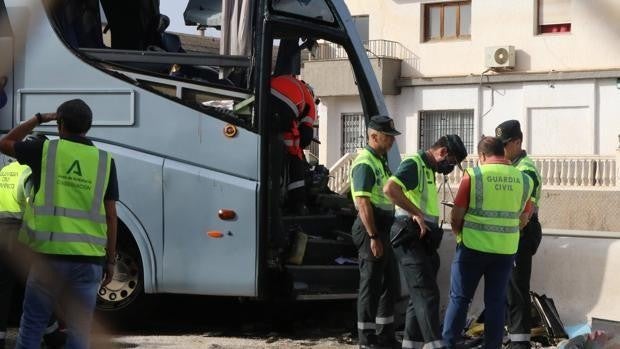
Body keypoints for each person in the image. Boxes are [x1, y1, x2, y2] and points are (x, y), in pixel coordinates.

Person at [0, 99, 119, 349]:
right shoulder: (104, 160)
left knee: (33, 324)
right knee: (80, 330)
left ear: (60, 123)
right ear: (88, 126)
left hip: (47, 258)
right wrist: (110, 259)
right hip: (88, 260)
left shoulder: (45, 151)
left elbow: (4, 143)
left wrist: (40, 118)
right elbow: (110, 214)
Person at [442, 137, 533, 349]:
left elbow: (456, 216)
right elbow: (524, 218)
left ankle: (448, 345)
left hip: (472, 248)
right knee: (496, 302)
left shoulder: (474, 175)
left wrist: (460, 235)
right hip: (505, 251)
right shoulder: (524, 180)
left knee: (460, 299)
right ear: (503, 152)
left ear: (482, 156)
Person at [383, 135, 467, 349]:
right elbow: (390, 189)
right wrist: (416, 212)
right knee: (427, 292)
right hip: (408, 235)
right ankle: (434, 344)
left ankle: (411, 343)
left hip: (423, 239)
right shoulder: (415, 164)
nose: (450, 167)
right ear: (443, 152)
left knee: (418, 295)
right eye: (451, 161)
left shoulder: (428, 170)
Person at [349, 115, 400, 349]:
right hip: (372, 226)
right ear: (373, 136)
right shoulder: (365, 162)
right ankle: (367, 339)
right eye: (387, 137)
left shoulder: (380, 160)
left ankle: (385, 335)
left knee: (390, 283)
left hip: (385, 225)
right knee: (370, 285)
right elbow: (363, 203)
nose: (391, 141)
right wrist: (373, 237)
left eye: (391, 137)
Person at [495, 120, 543, 349]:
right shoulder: (511, 166)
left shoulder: (525, 169)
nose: (502, 149)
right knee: (507, 288)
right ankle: (512, 336)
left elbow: (526, 210)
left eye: (505, 144)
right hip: (512, 234)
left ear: (517, 142)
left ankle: (520, 342)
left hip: (521, 233)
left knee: (516, 289)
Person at [270, 74, 316, 214]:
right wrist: (296, 152)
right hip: (286, 103)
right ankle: (297, 202)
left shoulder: (292, 82)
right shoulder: (310, 104)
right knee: (293, 154)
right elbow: (306, 136)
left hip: (267, 93)